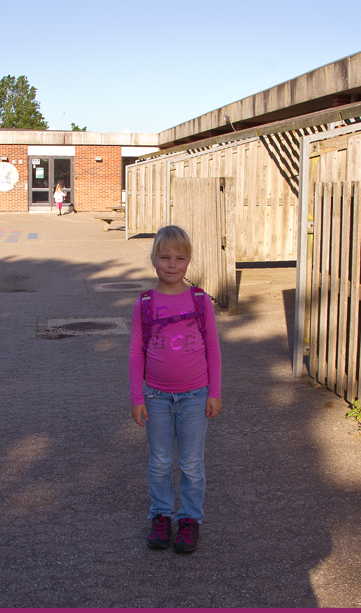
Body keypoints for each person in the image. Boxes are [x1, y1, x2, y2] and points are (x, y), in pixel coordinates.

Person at [129, 225, 221, 553]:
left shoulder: (199, 301)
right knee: (160, 461)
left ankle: (189, 520)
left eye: (180, 258)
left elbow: (212, 346)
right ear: (153, 259)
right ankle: (161, 515)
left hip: (196, 395)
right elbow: (135, 351)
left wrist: (215, 391)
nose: (172, 264)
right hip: (155, 396)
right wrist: (136, 397)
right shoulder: (144, 302)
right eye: (164, 257)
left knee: (192, 463)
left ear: (189, 261)